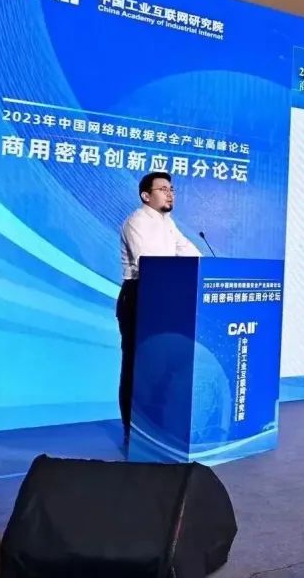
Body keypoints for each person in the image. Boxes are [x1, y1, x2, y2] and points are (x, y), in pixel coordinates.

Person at [117, 171, 201, 439]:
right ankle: (133, 429)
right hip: (139, 295)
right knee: (137, 363)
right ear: (146, 195)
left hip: (165, 296)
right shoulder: (137, 221)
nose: (170, 194)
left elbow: (190, 252)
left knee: (163, 361)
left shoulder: (168, 223)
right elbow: (150, 262)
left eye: (171, 189)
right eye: (163, 189)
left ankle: (157, 424)